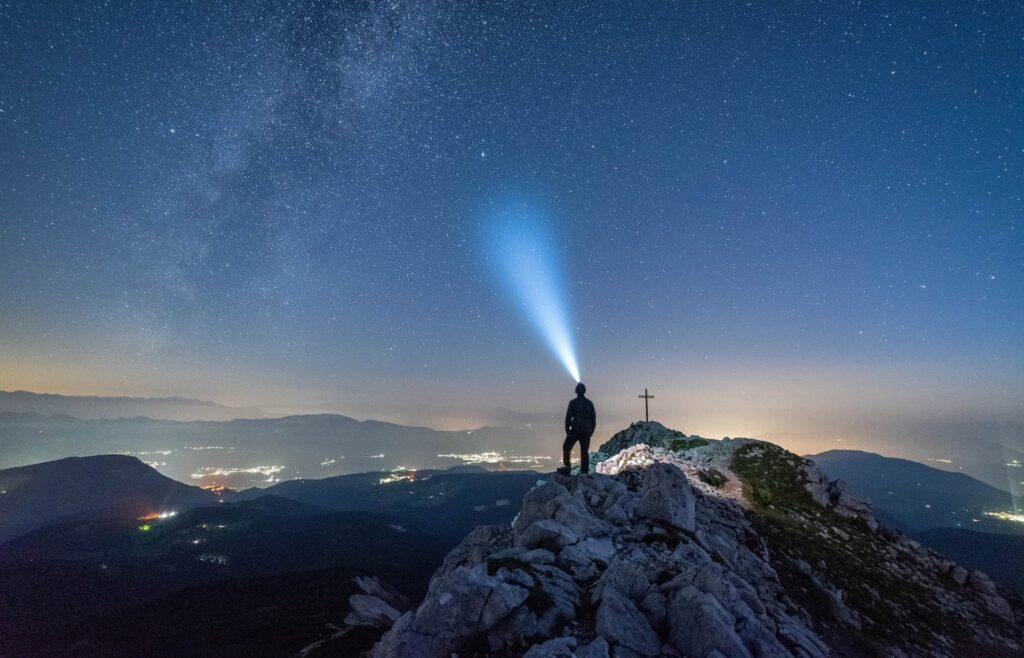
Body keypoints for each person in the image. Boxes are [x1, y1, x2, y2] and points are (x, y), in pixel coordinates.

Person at [558, 382, 596, 475]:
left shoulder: (573, 402)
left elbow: (568, 418)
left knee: (566, 447)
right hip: (586, 431)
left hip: (575, 429)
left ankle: (567, 468)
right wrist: (591, 432)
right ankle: (584, 470)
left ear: (576, 391)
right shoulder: (589, 403)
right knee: (584, 451)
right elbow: (593, 420)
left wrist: (567, 430)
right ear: (584, 391)